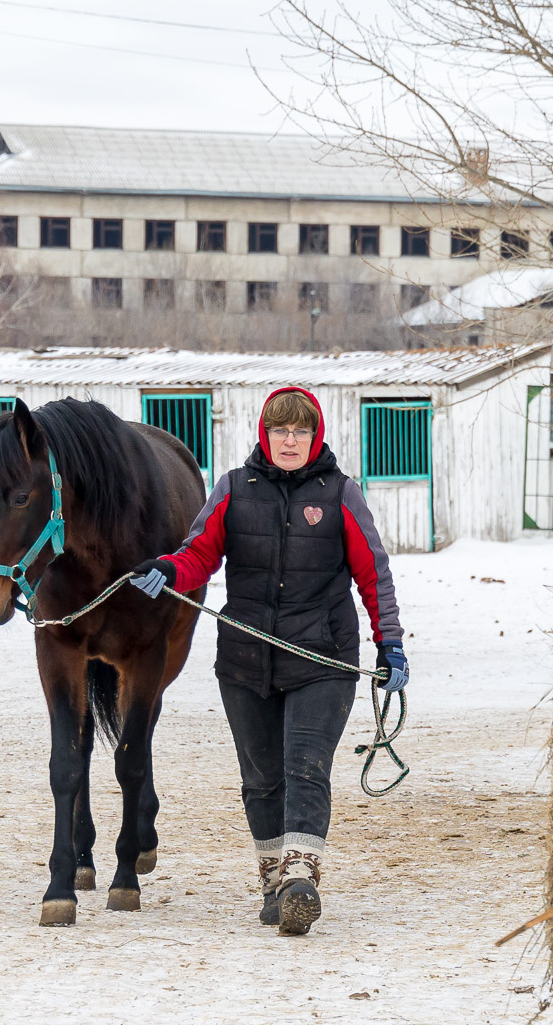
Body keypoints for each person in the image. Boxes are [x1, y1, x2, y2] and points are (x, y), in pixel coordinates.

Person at [129, 387, 408, 936]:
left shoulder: (339, 493)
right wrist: (169, 569)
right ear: (265, 433)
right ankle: (273, 881)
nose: (290, 440)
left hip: (321, 656)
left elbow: (373, 572)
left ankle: (301, 875)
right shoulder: (234, 488)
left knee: (305, 767)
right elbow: (199, 552)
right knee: (260, 780)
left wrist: (390, 642)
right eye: (280, 430)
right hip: (245, 660)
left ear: (315, 436)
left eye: (300, 431)